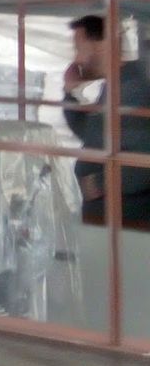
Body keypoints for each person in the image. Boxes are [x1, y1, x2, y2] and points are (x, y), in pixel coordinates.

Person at [62, 13, 150, 221]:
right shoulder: (114, 88)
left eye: (79, 47)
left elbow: (144, 162)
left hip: (128, 225)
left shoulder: (132, 91)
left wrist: (99, 184)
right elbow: (90, 134)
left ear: (101, 45)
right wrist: (70, 93)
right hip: (111, 224)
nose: (77, 59)